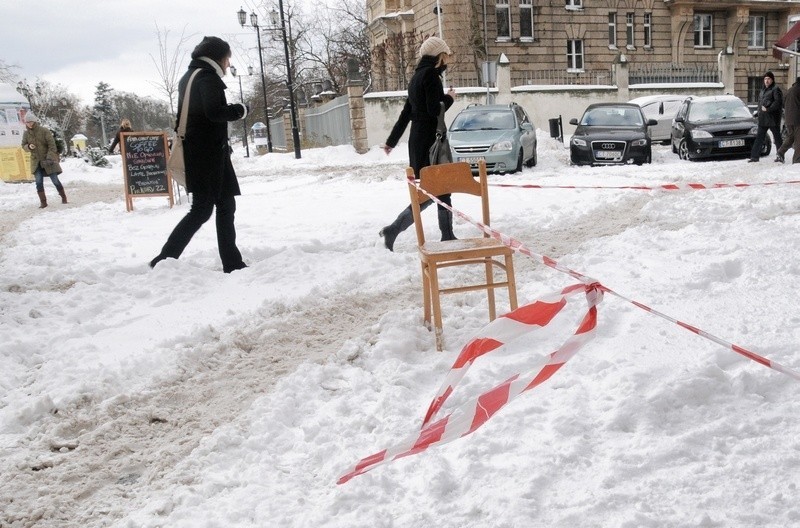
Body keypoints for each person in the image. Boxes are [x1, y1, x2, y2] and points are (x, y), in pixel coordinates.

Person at [149, 36, 249, 273]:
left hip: (208, 155)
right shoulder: (206, 78)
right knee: (202, 210)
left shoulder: (190, 77)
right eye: (227, 58)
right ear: (218, 57)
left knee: (226, 205)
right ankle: (163, 259)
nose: (228, 63)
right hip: (207, 158)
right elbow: (214, 112)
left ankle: (232, 263)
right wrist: (240, 110)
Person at [379, 36, 456, 251]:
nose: (447, 60)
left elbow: (406, 114)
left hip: (417, 142)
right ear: (440, 56)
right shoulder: (431, 76)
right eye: (446, 56)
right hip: (432, 142)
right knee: (438, 190)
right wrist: (449, 98)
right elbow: (434, 110)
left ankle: (394, 230)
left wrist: (391, 141)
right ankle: (396, 230)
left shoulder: (416, 78)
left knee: (432, 191)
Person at [21, 112, 67, 208]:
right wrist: (29, 146)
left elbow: (52, 145)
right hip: (35, 161)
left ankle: (63, 197)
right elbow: (23, 146)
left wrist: (49, 157)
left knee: (55, 180)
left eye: (31, 122)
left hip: (48, 160)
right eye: (27, 122)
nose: (29, 124)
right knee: (38, 182)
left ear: (34, 121)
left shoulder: (44, 131)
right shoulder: (26, 134)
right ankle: (43, 202)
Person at [749, 71, 783, 162]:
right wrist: (758, 112)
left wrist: (768, 109)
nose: (766, 81)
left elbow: (778, 103)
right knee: (759, 138)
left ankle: (780, 156)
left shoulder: (776, 89)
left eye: (768, 79)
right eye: (765, 79)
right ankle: (754, 157)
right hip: (763, 118)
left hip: (773, 118)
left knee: (777, 138)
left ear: (772, 80)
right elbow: (760, 103)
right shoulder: (763, 90)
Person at [775, 76, 800, 163]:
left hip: (789, 119)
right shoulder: (798, 90)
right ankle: (797, 160)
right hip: (797, 119)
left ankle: (780, 152)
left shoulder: (790, 90)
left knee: (791, 137)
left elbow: (783, 104)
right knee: (798, 140)